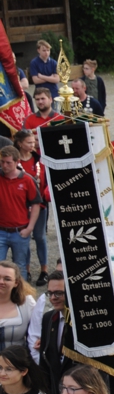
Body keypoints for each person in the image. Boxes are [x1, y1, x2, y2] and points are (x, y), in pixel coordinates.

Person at [12, 131, 49, 286]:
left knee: (40, 237)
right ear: (20, 143)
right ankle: (26, 270)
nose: (32, 145)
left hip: (39, 205)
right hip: (21, 207)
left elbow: (47, 180)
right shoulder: (14, 162)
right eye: (29, 142)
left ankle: (44, 270)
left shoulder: (40, 159)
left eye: (33, 142)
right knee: (23, 238)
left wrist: (45, 195)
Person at [0, 147, 41, 282]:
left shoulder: (27, 180)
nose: (4, 165)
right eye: (2, 162)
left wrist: (30, 228)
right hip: (1, 230)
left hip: (20, 231)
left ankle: (21, 294)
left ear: (17, 162)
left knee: (20, 266)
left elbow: (36, 204)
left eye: (8, 162)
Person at [38, 273, 71, 394]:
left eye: (58, 293)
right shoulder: (48, 318)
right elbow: (44, 361)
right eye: (50, 293)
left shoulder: (83, 322)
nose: (53, 298)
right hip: (55, 393)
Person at [0, 260, 36, 352]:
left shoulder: (27, 303)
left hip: (16, 360)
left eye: (7, 279)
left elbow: (37, 333)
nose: (1, 282)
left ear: (16, 283)